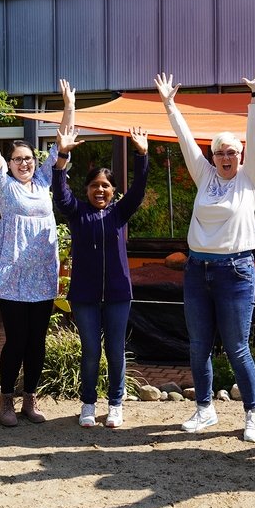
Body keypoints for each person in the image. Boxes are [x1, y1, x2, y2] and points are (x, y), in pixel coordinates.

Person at [154, 66, 255, 443]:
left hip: (235, 272)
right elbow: (185, 141)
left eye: (232, 151)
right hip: (197, 269)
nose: (225, 157)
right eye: (219, 152)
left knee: (237, 347)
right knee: (198, 345)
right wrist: (170, 105)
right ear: (213, 156)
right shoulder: (204, 177)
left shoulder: (250, 178)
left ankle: (252, 415)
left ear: (241, 155)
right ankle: (204, 409)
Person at [0, 80, 73, 427]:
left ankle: (30, 399)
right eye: (17, 159)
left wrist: (69, 106)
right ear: (9, 164)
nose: (23, 163)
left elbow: (63, 143)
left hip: (42, 271)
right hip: (13, 273)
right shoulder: (3, 184)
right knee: (16, 339)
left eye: (27, 158)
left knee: (37, 341)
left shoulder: (44, 180)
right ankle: (6, 400)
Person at [52, 123, 150, 429]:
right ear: (87, 190)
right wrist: (63, 155)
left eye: (105, 186)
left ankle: (116, 404)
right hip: (84, 296)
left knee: (115, 350)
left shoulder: (120, 213)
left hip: (119, 294)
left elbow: (138, 190)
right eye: (94, 186)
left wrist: (142, 154)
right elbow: (60, 192)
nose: (100, 190)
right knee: (92, 350)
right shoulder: (77, 212)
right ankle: (89, 404)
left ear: (113, 191)